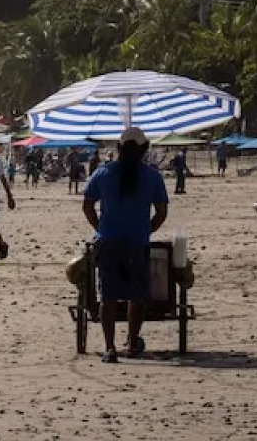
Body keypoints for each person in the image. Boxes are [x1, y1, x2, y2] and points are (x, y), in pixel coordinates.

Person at [82, 127, 170, 363]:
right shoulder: (152, 176)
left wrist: (100, 227)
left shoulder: (103, 173)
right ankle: (132, 343)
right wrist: (146, 229)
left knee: (108, 296)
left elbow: (88, 204)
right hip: (137, 242)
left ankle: (110, 348)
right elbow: (161, 212)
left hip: (108, 241)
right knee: (137, 296)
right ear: (144, 150)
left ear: (119, 149)